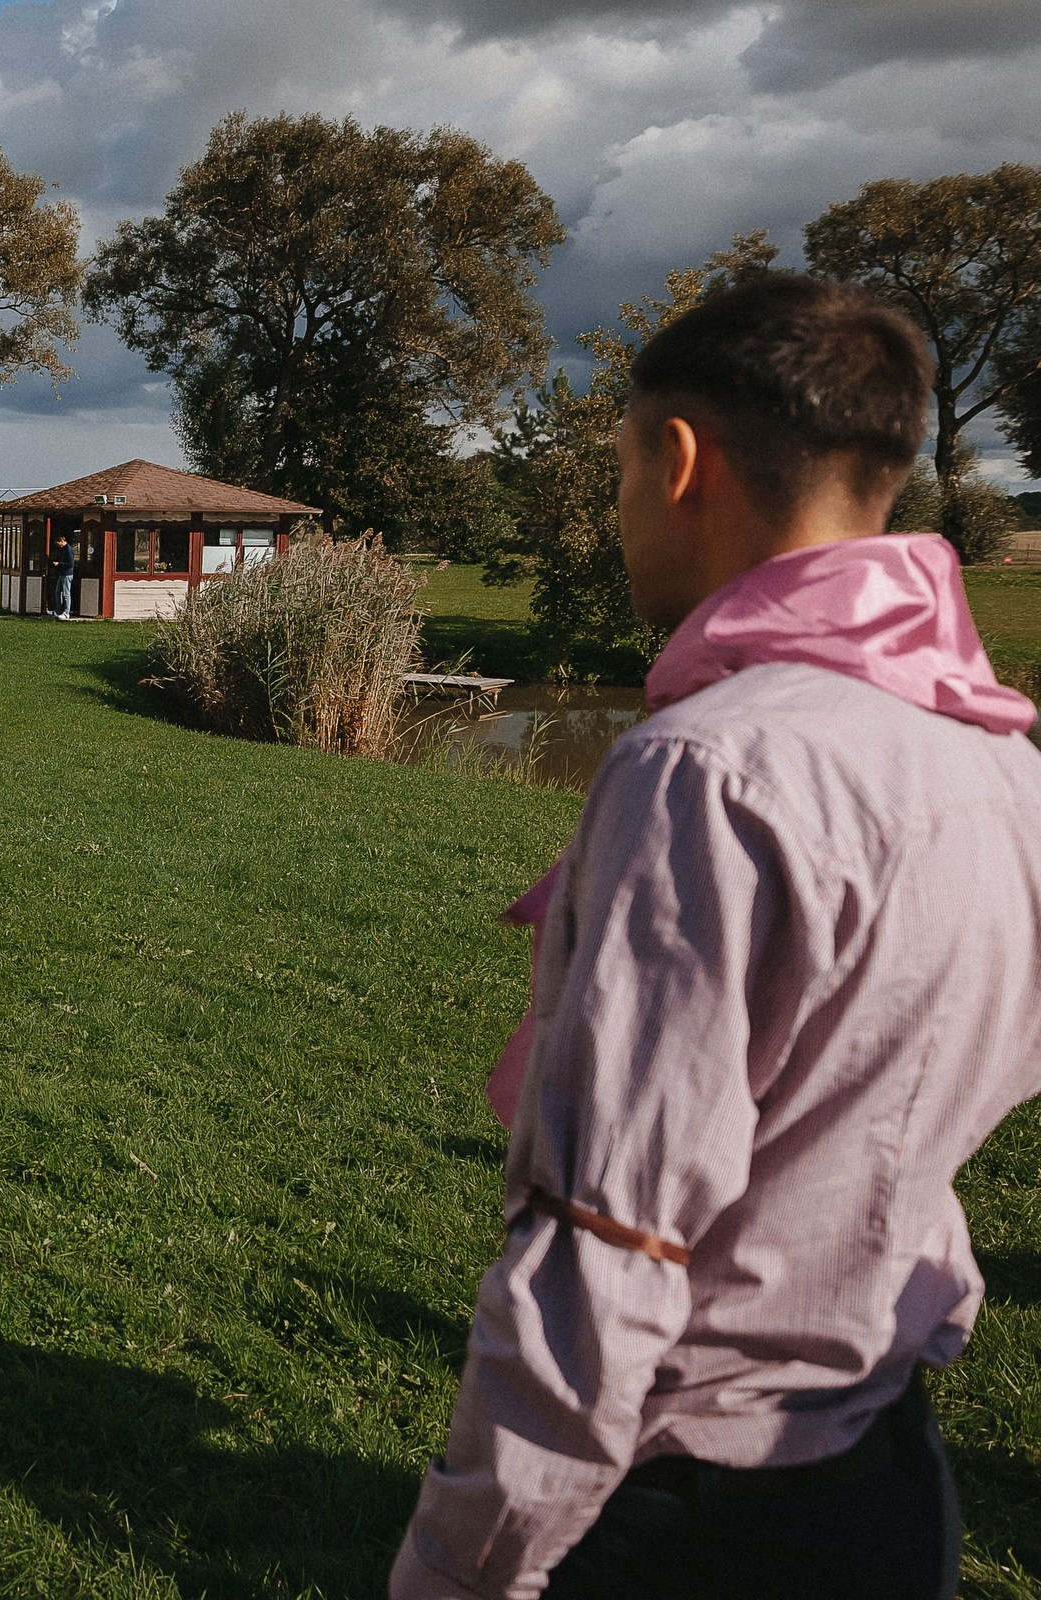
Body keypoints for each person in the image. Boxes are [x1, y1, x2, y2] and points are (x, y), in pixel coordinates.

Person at [391, 275, 1041, 1600]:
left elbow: (610, 1244)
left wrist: (463, 1570)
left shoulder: (710, 769)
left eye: (621, 470)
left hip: (694, 1509)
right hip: (888, 1473)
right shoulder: (996, 755)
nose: (620, 511)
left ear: (677, 461)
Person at [44, 531, 76, 618]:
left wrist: (59, 564)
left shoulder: (68, 549)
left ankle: (66, 612)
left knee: (66, 593)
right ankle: (57, 611)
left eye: (58, 543)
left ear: (62, 540)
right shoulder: (63, 549)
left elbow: (71, 563)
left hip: (67, 574)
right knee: (57, 592)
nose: (58, 545)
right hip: (62, 574)